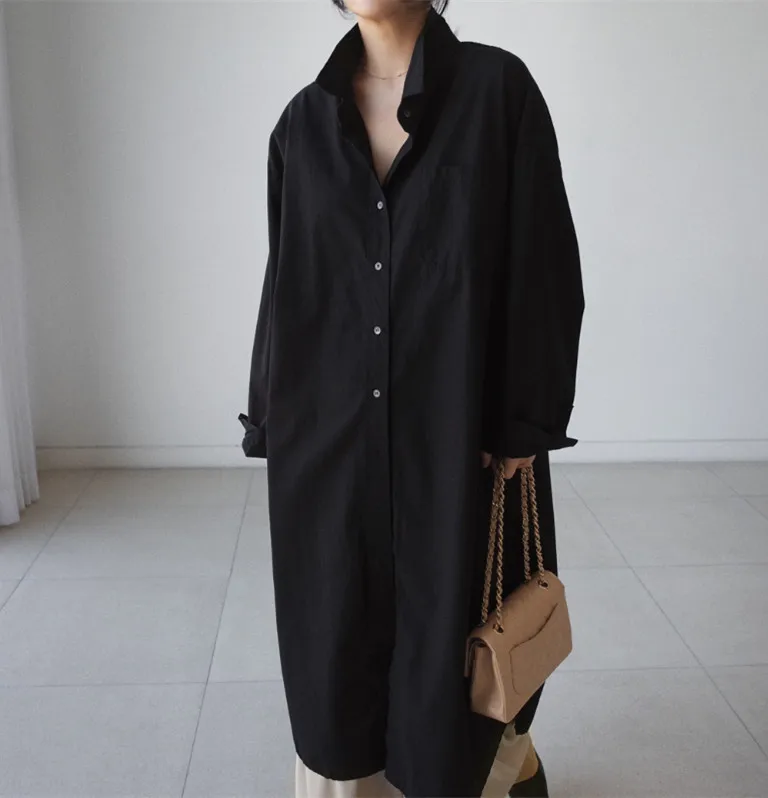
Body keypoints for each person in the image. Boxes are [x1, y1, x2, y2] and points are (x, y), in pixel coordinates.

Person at [239, 1, 584, 795]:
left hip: (461, 434)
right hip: (330, 441)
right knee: (336, 641)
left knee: (460, 641)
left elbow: (543, 268)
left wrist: (522, 422)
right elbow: (286, 283)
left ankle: (498, 772)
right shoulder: (303, 124)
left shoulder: (498, 91)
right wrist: (271, 416)